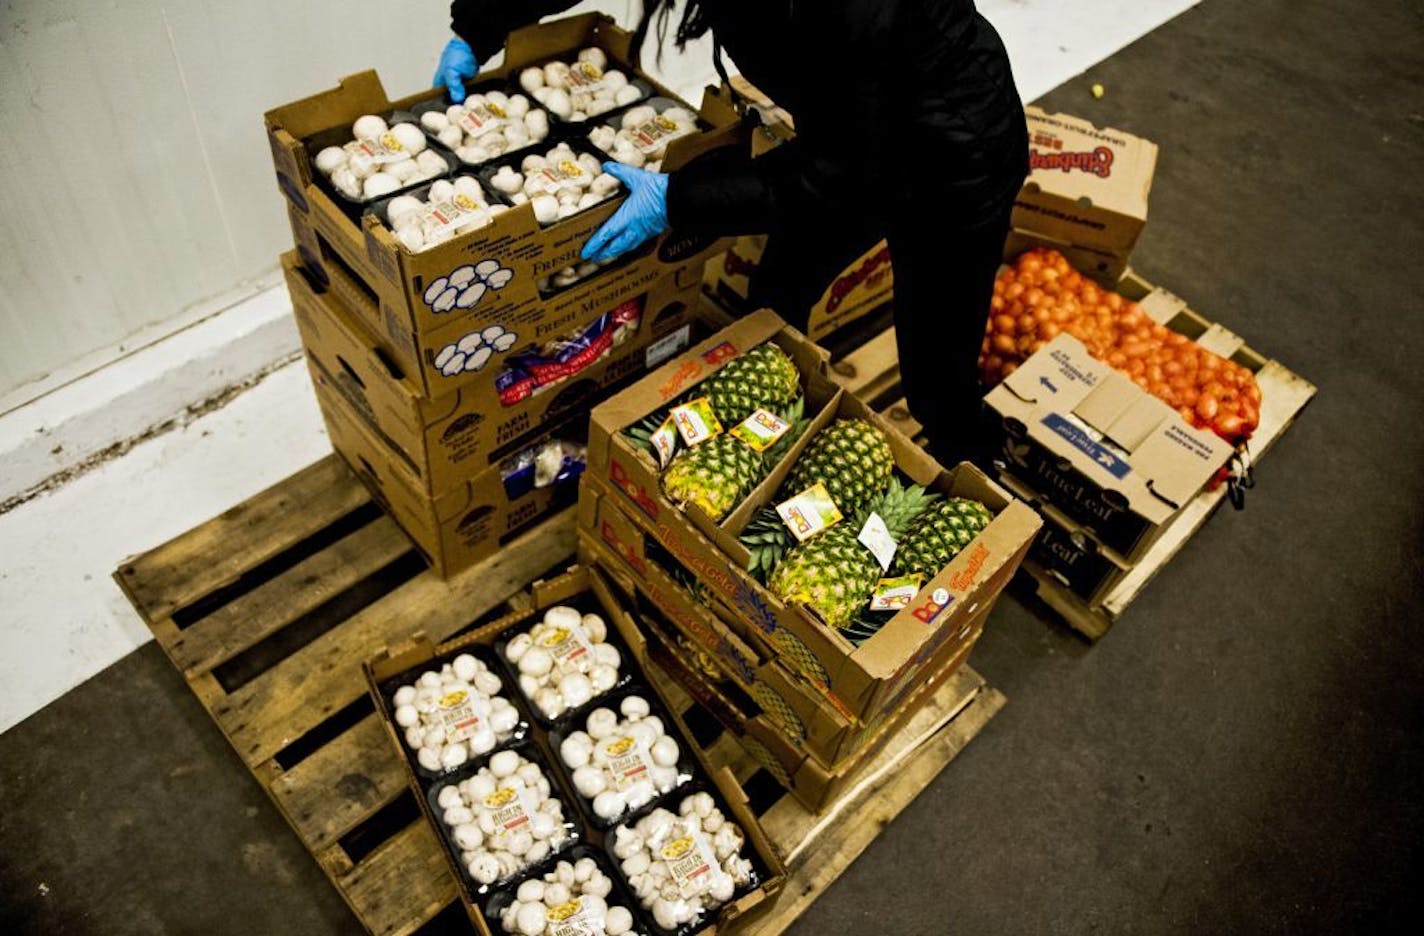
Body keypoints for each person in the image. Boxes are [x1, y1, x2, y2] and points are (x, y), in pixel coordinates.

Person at [435, 1, 1027, 464]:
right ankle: (765, 441)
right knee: (779, 291)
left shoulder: (857, 9)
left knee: (936, 380)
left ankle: (989, 483)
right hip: (849, 135)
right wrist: (479, 27)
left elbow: (839, 177)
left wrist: (679, 199)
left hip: (952, 158)